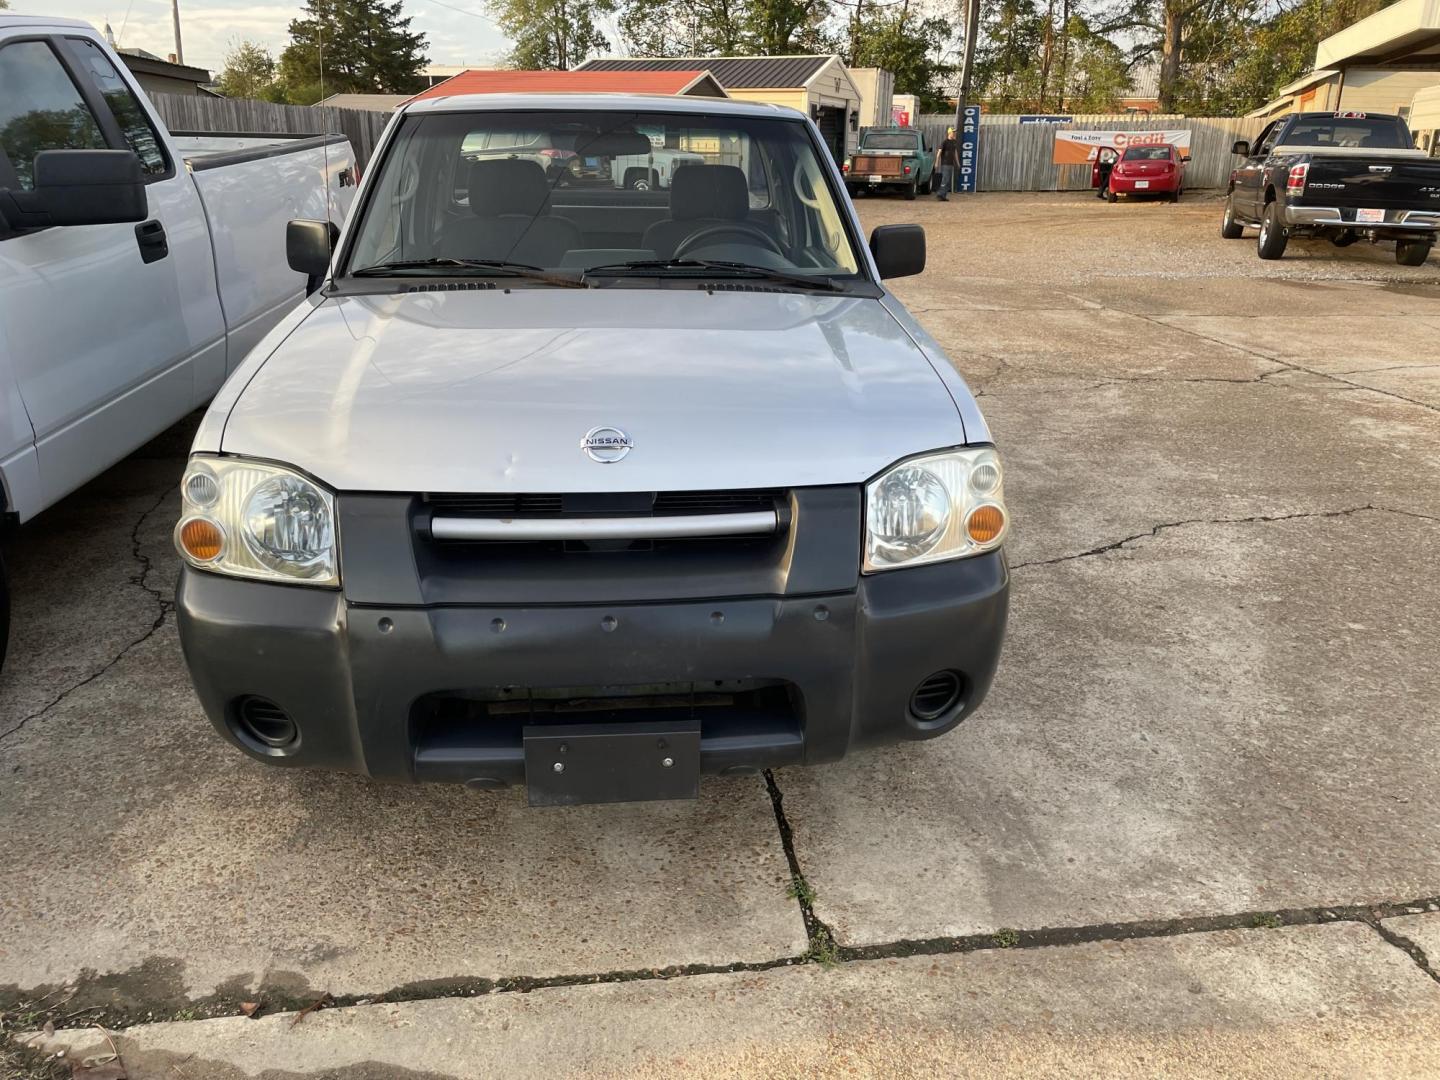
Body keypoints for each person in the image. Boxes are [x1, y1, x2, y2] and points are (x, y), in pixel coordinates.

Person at [937, 127, 959, 201]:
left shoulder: (954, 142)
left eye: (955, 132)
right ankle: (940, 194)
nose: (954, 133)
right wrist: (936, 162)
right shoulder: (945, 142)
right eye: (953, 132)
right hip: (945, 164)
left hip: (951, 164)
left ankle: (943, 196)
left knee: (948, 180)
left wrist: (957, 163)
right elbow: (939, 152)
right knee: (945, 179)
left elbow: (955, 152)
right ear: (949, 133)